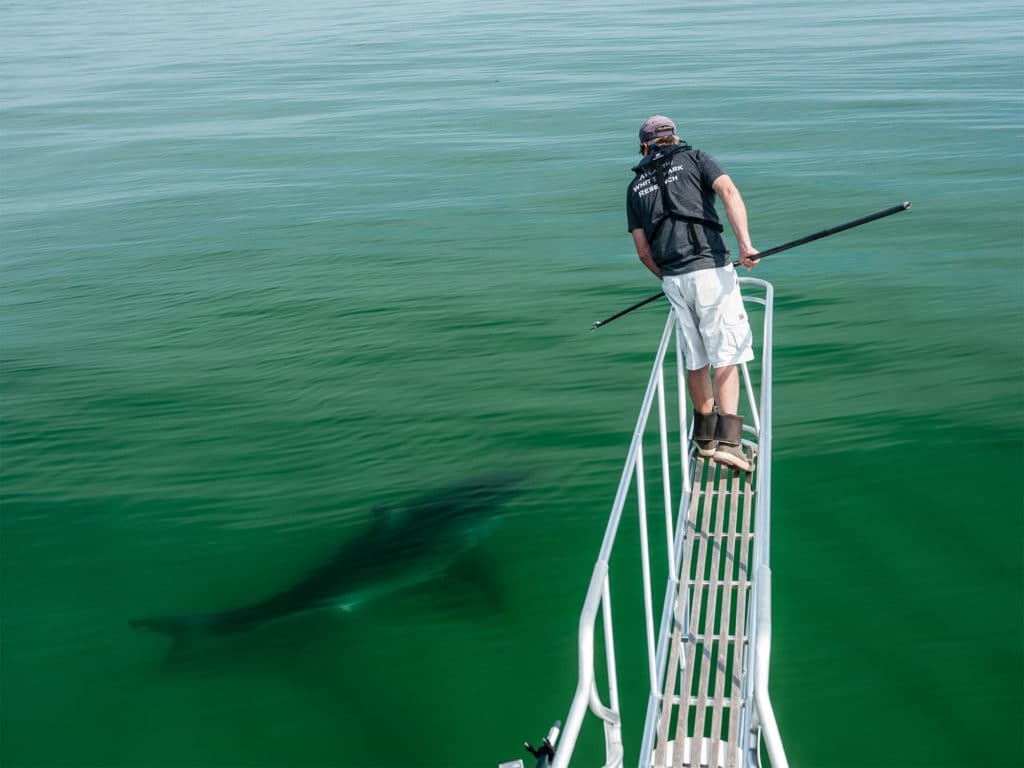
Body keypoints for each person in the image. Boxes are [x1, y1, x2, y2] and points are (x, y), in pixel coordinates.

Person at [626, 115, 760, 472]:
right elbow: (729, 192)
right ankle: (730, 443)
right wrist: (746, 246)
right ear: (675, 137)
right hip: (710, 271)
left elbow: (642, 251)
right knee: (727, 351)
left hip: (674, 279)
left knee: (696, 357)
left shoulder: (634, 188)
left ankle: (705, 439)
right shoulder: (698, 158)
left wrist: (668, 277)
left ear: (644, 146)